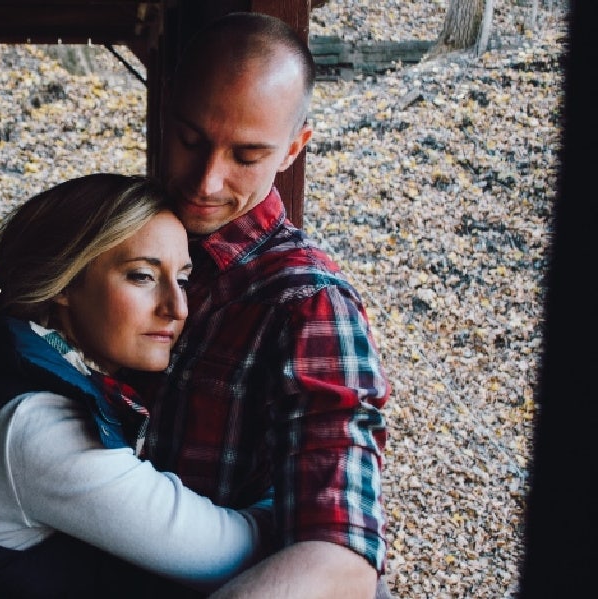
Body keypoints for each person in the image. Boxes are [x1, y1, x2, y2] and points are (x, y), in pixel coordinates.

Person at [0, 173, 274, 597]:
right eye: (142, 276)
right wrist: (302, 494)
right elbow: (228, 555)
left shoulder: (0, 362)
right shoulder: (41, 428)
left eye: (184, 279)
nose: (177, 308)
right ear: (65, 280)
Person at [142, 12, 391, 599]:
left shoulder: (309, 306)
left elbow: (342, 559)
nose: (206, 181)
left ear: (292, 149)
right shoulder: (107, 234)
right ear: (163, 109)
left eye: (247, 156)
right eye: (190, 140)